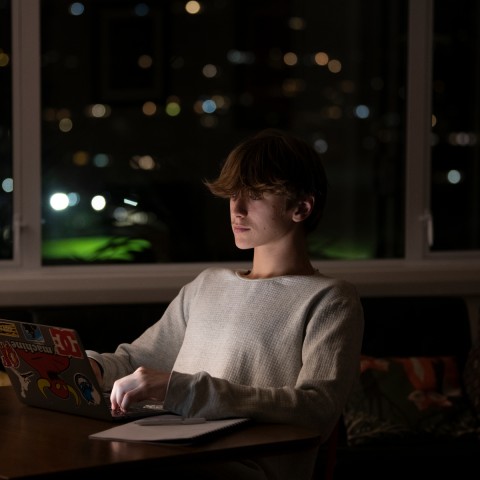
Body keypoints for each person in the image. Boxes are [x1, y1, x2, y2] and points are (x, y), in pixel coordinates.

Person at [87, 128, 364, 479]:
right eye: (234, 194)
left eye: (257, 195)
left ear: (301, 207)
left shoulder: (330, 300)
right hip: (170, 450)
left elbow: (317, 408)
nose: (237, 208)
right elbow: (135, 361)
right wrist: (88, 369)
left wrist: (181, 389)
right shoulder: (207, 285)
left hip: (248, 466)